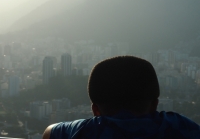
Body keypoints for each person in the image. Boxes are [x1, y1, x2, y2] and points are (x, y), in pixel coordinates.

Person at [43, 56, 200, 139]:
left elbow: (49, 132)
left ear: (95, 110)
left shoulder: (84, 131)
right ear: (154, 104)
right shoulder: (180, 127)